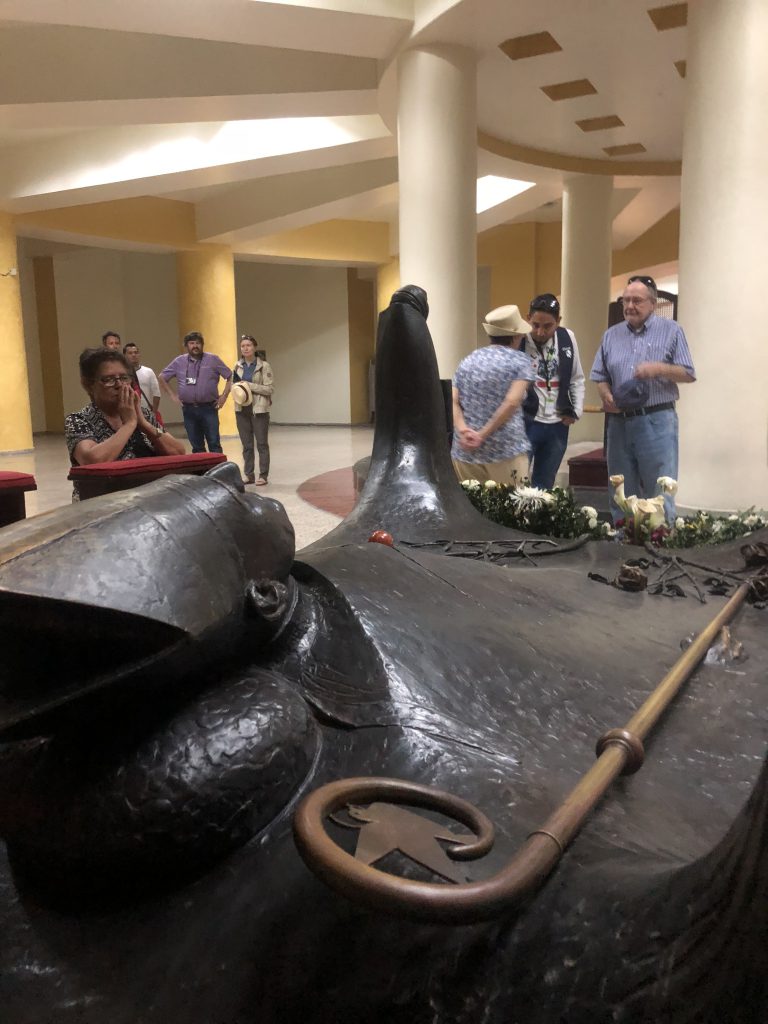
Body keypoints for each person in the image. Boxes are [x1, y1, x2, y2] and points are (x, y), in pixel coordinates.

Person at [590, 275, 696, 521]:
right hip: (619, 424)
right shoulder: (611, 335)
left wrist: (658, 369)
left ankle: (661, 542)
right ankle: (623, 543)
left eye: (636, 301)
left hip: (656, 420)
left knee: (659, 489)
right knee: (620, 488)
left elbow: (689, 373)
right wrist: (606, 395)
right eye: (625, 300)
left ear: (653, 303)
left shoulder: (672, 331)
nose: (629, 306)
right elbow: (599, 374)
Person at [65, 347, 185, 500]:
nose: (119, 385)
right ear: (89, 385)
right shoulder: (79, 420)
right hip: (100, 504)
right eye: (108, 380)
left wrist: (143, 423)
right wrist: (128, 425)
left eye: (124, 378)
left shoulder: (144, 415)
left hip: (148, 500)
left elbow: (178, 452)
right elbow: (92, 460)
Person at [451, 304, 535, 485]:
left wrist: (464, 431)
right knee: (515, 508)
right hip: (505, 449)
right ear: (516, 336)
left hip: (465, 451)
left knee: (473, 507)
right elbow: (512, 402)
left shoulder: (468, 360)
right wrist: (482, 434)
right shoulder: (520, 361)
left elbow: (454, 401)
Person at [518, 293, 585, 490]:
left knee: (545, 484)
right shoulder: (519, 339)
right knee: (517, 482)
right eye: (535, 324)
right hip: (527, 422)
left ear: (558, 321)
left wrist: (576, 411)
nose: (539, 332)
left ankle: (541, 521)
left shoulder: (567, 338)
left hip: (557, 425)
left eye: (547, 326)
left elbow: (577, 378)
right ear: (527, 317)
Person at [159, 332, 232, 454]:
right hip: (189, 410)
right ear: (186, 346)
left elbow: (230, 376)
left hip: (209, 408)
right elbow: (162, 377)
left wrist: (224, 396)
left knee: (214, 443)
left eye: (198, 343)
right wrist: (173, 395)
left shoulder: (213, 359)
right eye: (191, 343)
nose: (195, 346)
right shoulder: (179, 361)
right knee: (196, 446)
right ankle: (201, 472)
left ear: (202, 345)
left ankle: (218, 471)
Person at [232, 334, 273, 486]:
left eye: (248, 345)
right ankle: (249, 475)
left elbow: (269, 389)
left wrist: (250, 386)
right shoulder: (237, 366)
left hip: (258, 409)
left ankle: (263, 475)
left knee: (262, 443)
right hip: (242, 409)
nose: (245, 348)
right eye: (243, 346)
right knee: (246, 445)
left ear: (254, 347)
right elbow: (234, 386)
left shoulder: (264, 366)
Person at [123, 342, 162, 421]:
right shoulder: (121, 373)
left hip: (146, 412)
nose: (134, 355)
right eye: (130, 353)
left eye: (136, 352)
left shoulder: (148, 371)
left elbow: (157, 394)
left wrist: (154, 412)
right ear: (124, 355)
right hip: (127, 413)